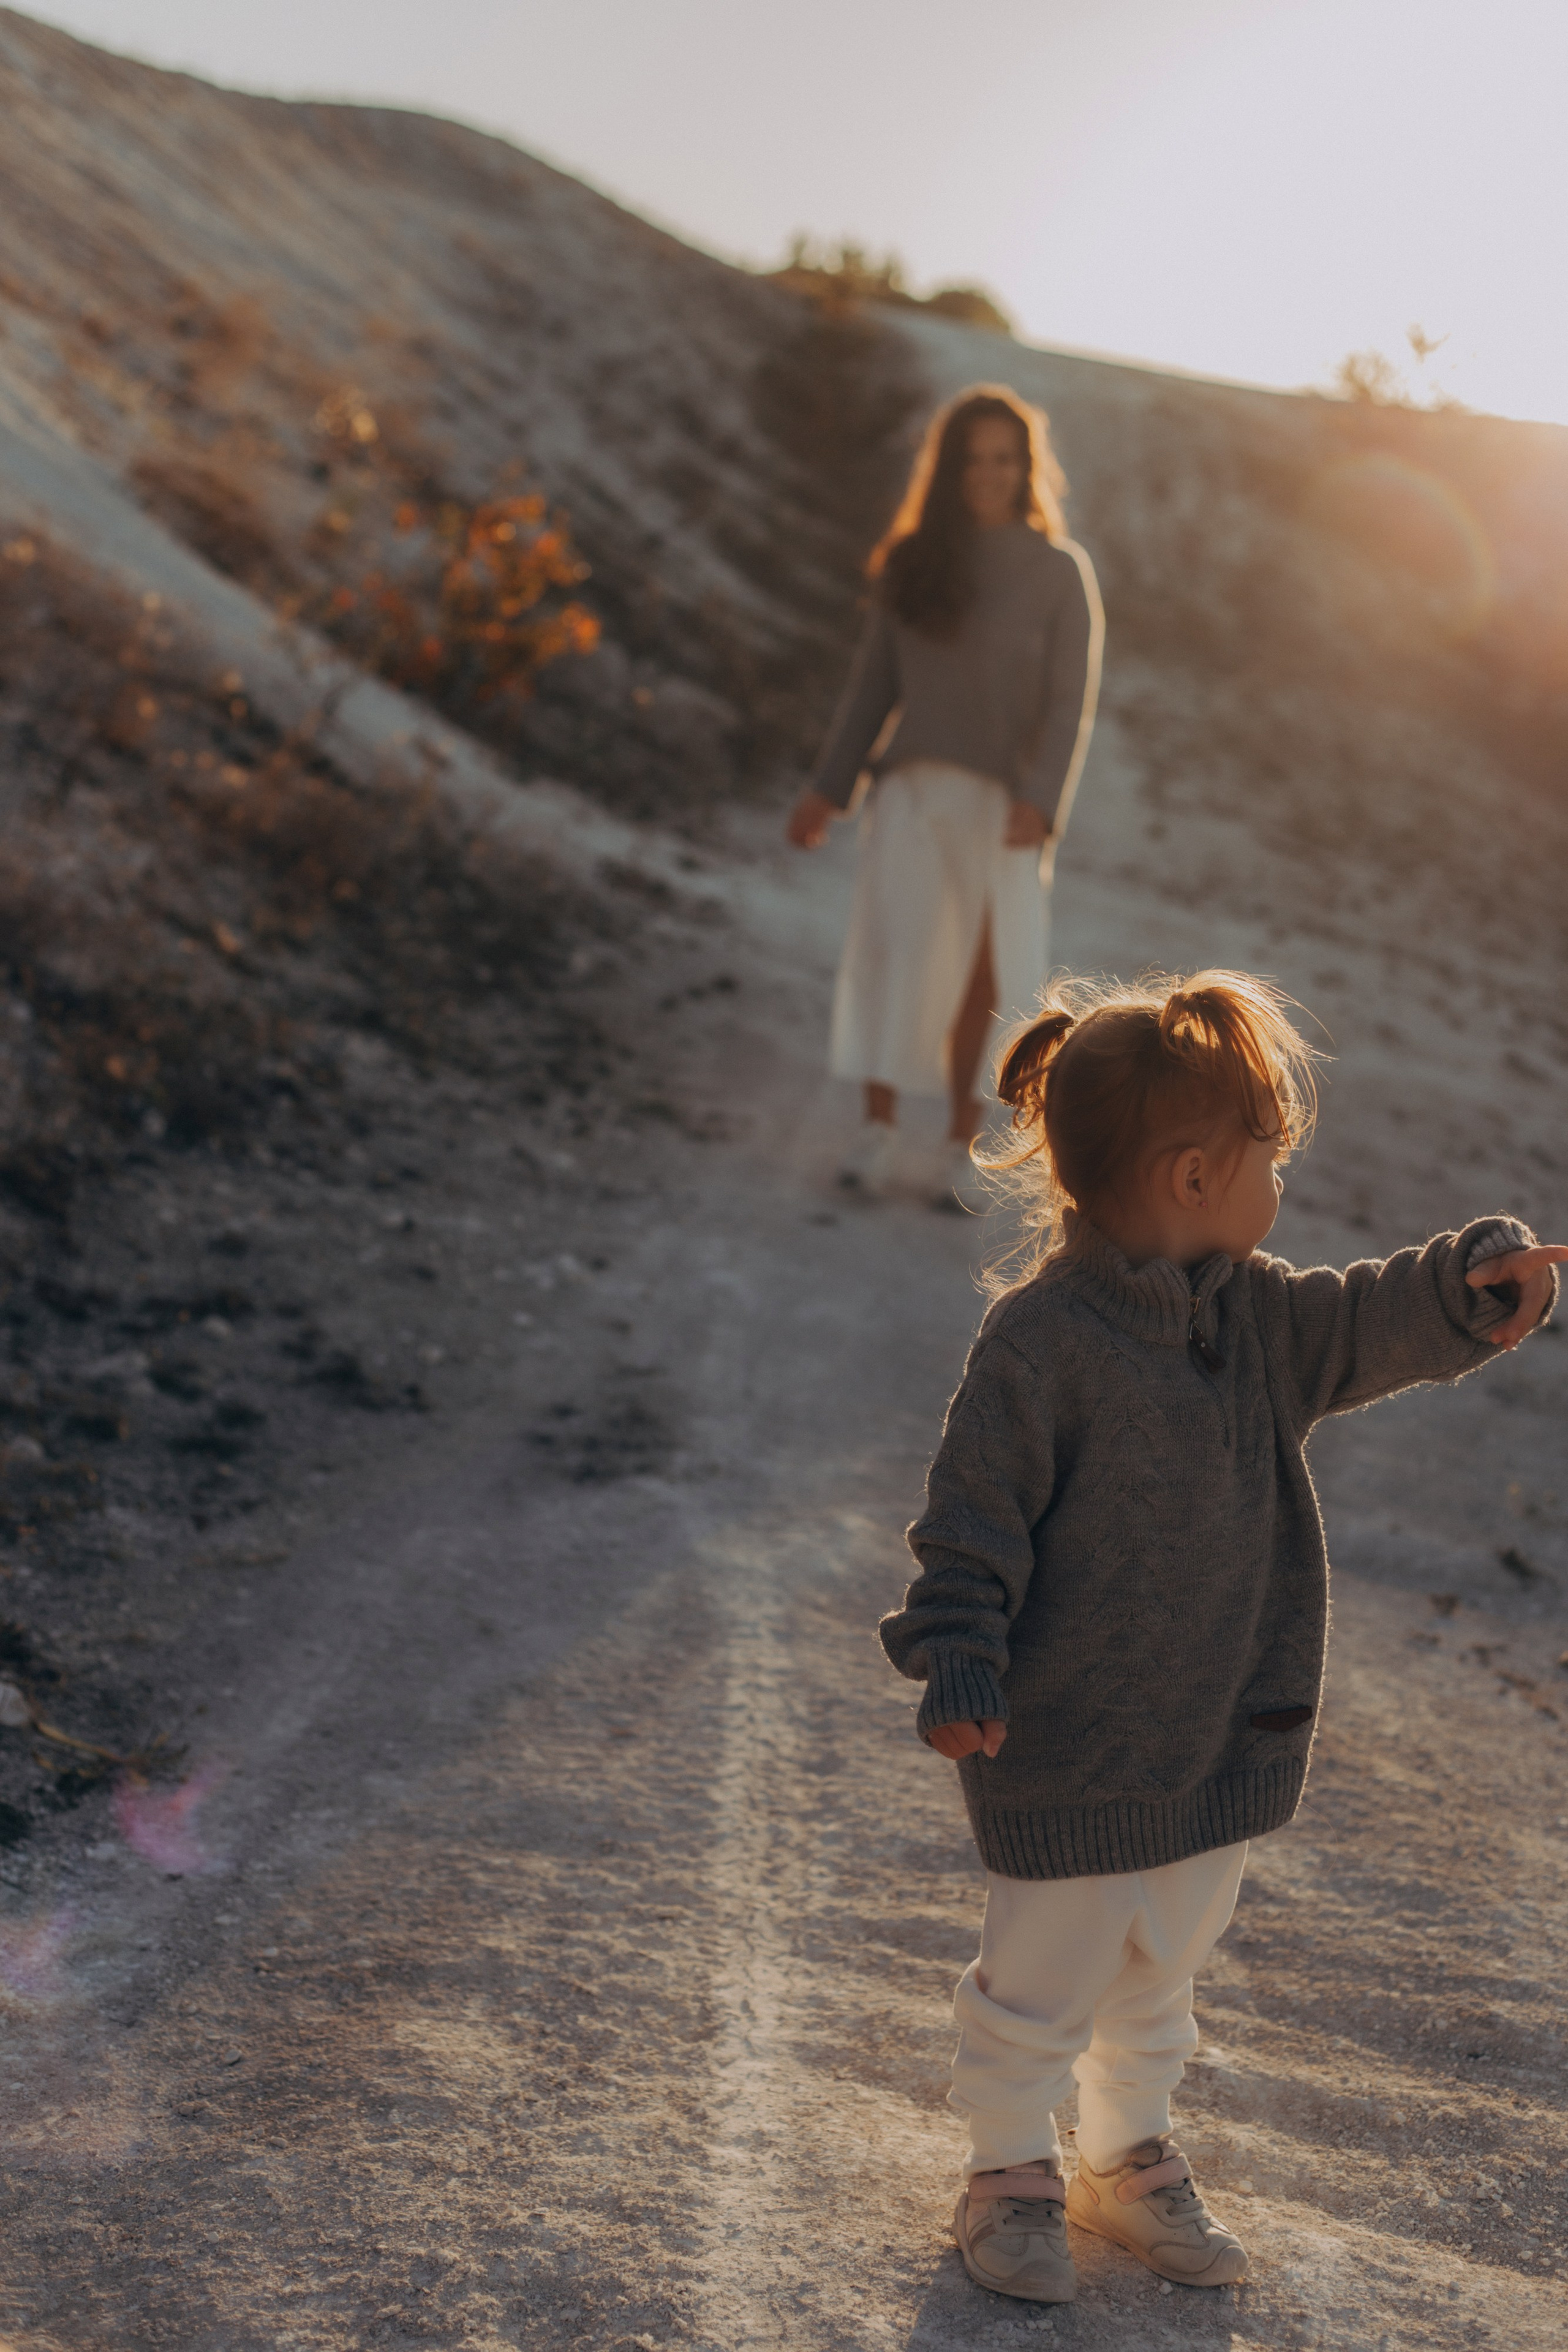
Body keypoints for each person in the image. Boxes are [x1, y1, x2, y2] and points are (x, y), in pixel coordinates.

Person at [878, 970, 1565, 2305]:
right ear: (1193, 1176)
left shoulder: (1256, 1320)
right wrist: (955, 1658)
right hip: (1065, 1744)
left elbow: (1369, 1316)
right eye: (1272, 1162)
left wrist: (1464, 1280)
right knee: (1038, 1976)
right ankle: (1009, 2166)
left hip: (1208, 1741)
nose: (1281, 1192)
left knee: (1159, 1969)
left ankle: (1127, 2157)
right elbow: (968, 1523)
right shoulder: (1039, 1345)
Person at [787, 385, 1102, 1205]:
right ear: (950, 468)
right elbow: (872, 687)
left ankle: (959, 1144)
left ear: (1027, 469)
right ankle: (878, 1133)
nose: (989, 474)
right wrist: (828, 789)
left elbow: (1073, 702)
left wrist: (1042, 799)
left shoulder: (1060, 573)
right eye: (973, 459)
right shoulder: (913, 561)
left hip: (1004, 807)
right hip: (912, 795)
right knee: (898, 957)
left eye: (1005, 459)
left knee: (983, 980)